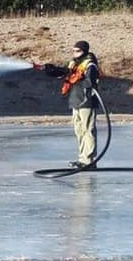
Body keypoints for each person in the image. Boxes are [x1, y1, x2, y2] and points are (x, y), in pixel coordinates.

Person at [34, 40, 101, 169]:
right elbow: (64, 72)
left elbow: (90, 83)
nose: (75, 53)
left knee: (88, 131)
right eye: (74, 51)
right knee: (79, 131)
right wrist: (48, 68)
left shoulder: (90, 65)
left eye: (78, 51)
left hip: (87, 101)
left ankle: (89, 161)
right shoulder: (74, 64)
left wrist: (79, 77)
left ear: (84, 51)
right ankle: (83, 159)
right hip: (75, 101)